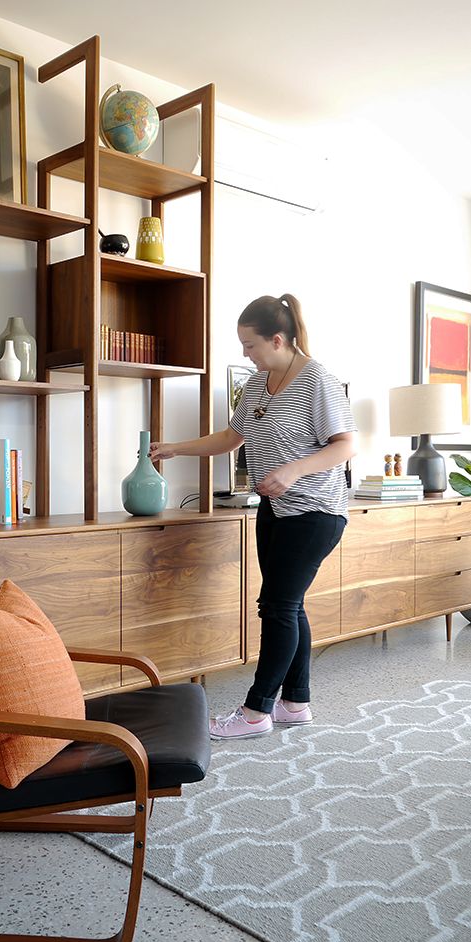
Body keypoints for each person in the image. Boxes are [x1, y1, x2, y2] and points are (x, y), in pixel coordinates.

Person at [149, 294, 357, 740]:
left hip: (316, 510)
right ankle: (295, 704)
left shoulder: (317, 379)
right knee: (288, 604)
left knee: (277, 607)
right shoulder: (259, 383)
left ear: (278, 339)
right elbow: (231, 435)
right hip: (274, 508)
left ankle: (255, 712)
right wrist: (175, 448)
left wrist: (292, 470)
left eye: (250, 345)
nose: (245, 353)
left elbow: (346, 444)